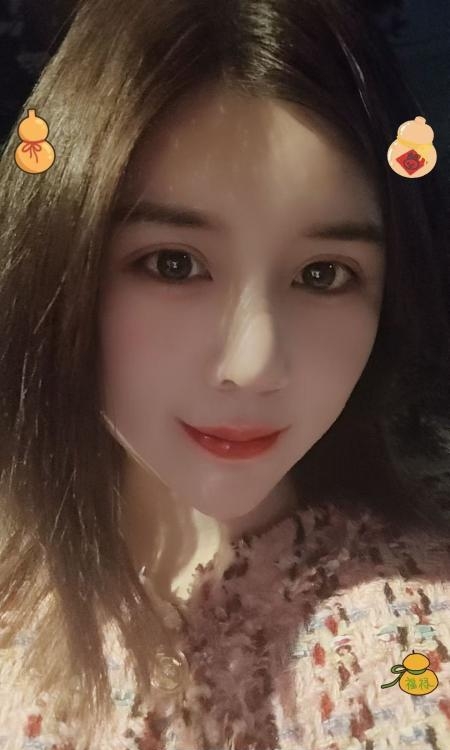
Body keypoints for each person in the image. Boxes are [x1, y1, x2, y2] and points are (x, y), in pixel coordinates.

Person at [0, 0, 449, 748]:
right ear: (61, 259)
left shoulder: (403, 641)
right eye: (174, 263)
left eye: (324, 273)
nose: (253, 366)